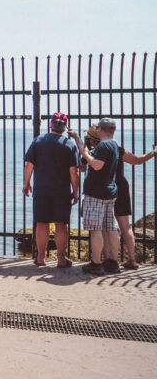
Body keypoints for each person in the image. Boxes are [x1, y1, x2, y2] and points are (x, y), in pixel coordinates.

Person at [71, 125, 157, 270]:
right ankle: (131, 259)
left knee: (100, 227)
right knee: (122, 226)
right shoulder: (116, 148)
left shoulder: (93, 152)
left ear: (93, 138)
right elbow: (137, 160)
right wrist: (153, 153)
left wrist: (83, 152)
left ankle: (104, 259)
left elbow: (83, 167)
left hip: (101, 190)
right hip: (119, 188)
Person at [22, 112, 79, 267]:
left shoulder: (38, 141)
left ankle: (41, 258)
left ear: (50, 125)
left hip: (41, 189)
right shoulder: (69, 144)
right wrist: (75, 191)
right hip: (61, 190)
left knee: (41, 223)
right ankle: (61, 259)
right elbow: (73, 171)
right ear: (65, 127)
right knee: (61, 225)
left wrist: (26, 183)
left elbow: (29, 165)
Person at [79, 118, 121, 275]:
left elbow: (97, 165)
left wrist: (84, 153)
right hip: (110, 191)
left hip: (96, 193)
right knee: (110, 228)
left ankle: (96, 264)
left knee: (95, 228)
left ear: (100, 129)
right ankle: (113, 262)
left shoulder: (103, 145)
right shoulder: (114, 144)